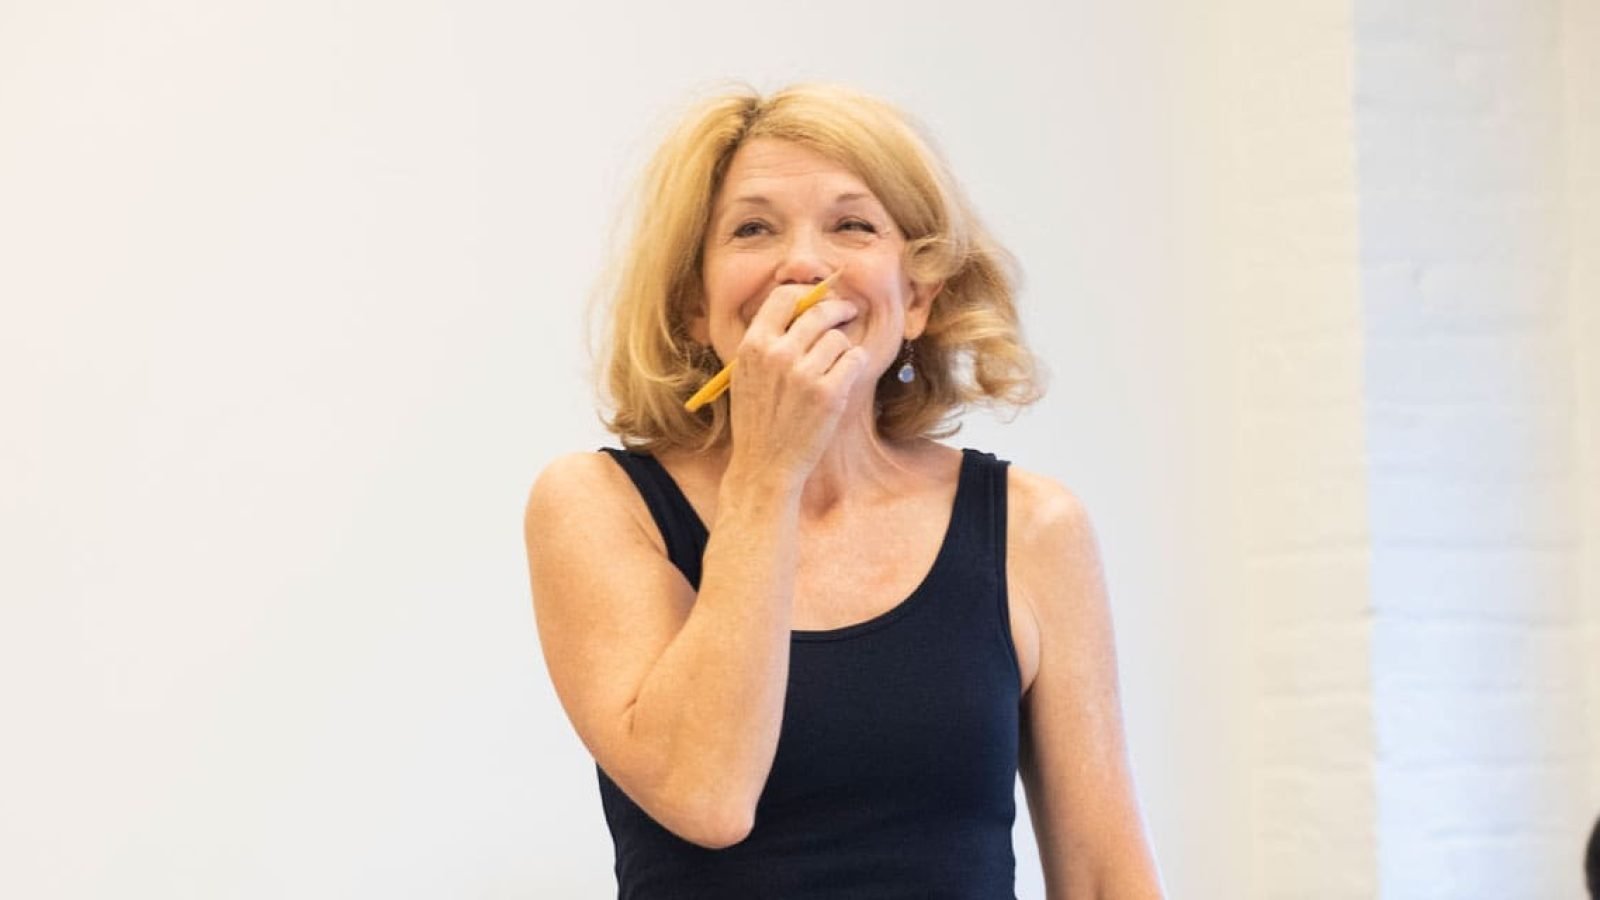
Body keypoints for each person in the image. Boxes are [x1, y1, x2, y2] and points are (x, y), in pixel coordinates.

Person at [523, 81, 1163, 898]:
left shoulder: (1035, 529)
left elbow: (1108, 877)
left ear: (919, 297)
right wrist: (769, 469)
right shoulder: (598, 506)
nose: (804, 265)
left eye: (853, 225)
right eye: (752, 229)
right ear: (694, 303)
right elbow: (706, 796)